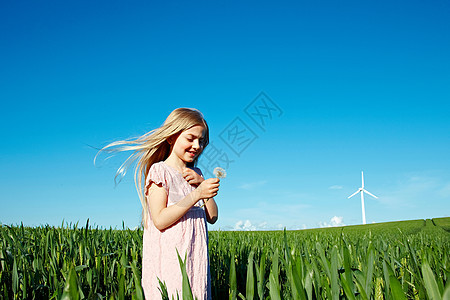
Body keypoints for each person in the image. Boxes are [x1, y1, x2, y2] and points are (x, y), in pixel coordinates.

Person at [99, 108, 219, 299]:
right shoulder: (160, 171)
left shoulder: (197, 174)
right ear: (171, 137)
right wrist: (197, 194)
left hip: (195, 259)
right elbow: (160, 219)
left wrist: (203, 187)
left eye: (202, 141)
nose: (197, 145)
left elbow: (212, 217)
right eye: (191, 138)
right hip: (170, 259)